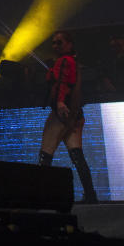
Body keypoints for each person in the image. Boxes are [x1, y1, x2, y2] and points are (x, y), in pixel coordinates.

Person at [38, 31, 98, 204]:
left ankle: (43, 196)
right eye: (54, 43)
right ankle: (90, 195)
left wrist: (60, 102)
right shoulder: (74, 62)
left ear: (69, 44)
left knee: (45, 156)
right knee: (77, 155)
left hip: (62, 113)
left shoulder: (64, 61)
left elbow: (63, 83)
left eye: (59, 42)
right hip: (74, 114)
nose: (55, 46)